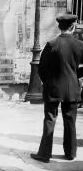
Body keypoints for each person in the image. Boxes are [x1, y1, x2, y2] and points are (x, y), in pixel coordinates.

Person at [31, 13, 83, 163]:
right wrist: (75, 74)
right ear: (73, 27)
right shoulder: (80, 45)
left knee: (49, 119)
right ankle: (70, 153)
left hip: (53, 88)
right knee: (70, 121)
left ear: (59, 27)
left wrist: (48, 81)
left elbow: (41, 68)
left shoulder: (52, 44)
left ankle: (44, 154)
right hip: (72, 88)